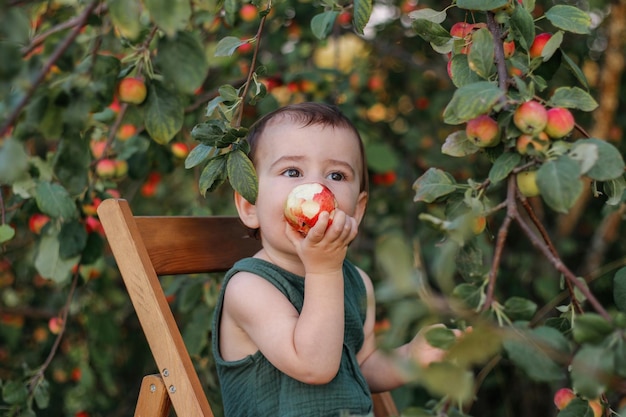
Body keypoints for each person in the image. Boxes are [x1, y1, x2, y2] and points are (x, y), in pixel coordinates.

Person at [212, 102, 451, 417]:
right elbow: (315, 366)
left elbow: (358, 367)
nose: (316, 188)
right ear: (250, 206)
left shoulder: (356, 283)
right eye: (292, 171)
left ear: (358, 210)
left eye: (336, 174)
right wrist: (323, 270)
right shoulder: (249, 289)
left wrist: (411, 359)